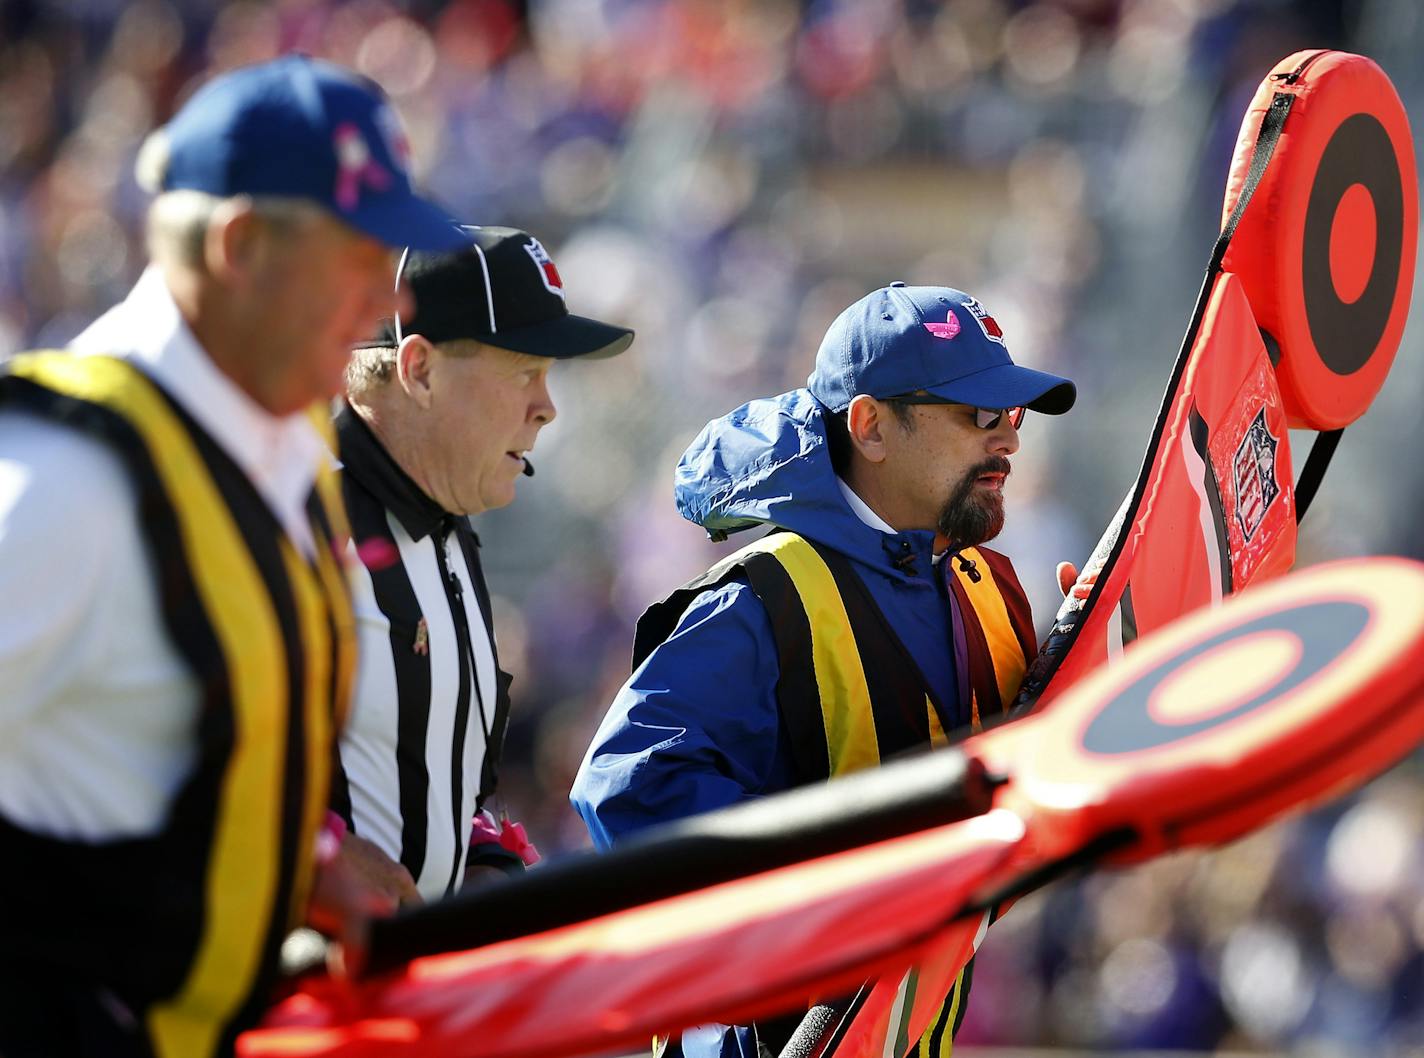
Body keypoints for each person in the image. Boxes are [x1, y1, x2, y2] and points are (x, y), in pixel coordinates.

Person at [0, 55, 467, 1058]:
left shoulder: (279, 438)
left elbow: (156, 734)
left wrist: (305, 859)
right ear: (240, 245)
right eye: (355, 261)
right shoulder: (63, 479)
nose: (383, 307)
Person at [571, 283, 1076, 1058]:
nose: (1008, 441)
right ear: (870, 425)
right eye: (978, 415)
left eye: (1013, 416)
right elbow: (623, 787)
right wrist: (824, 904)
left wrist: (1100, 669)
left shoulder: (996, 587)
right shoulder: (763, 598)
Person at [335, 225, 634, 904]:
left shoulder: (444, 521)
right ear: (420, 371)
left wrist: (480, 856)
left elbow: (419, 785)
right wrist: (317, 860)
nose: (547, 408)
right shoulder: (296, 519)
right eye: (524, 369)